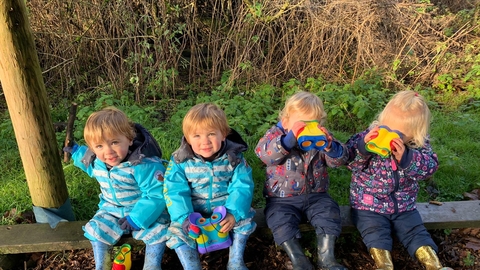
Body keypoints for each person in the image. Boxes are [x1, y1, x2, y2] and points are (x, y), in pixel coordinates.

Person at [346, 91, 452, 270]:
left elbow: (430, 168)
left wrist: (407, 158)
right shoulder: (369, 136)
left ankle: (434, 263)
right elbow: (349, 161)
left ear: (415, 134)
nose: (390, 135)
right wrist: (364, 147)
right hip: (369, 204)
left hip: (404, 206)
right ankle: (384, 264)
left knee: (415, 232)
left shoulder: (418, 146)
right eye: (387, 127)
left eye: (399, 134)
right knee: (375, 232)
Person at [64, 107, 169, 270]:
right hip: (111, 210)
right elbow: (89, 166)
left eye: (114, 142)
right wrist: (76, 152)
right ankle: (102, 264)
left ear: (129, 139)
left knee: (158, 231)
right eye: (99, 146)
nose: (108, 151)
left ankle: (152, 264)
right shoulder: (98, 162)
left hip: (143, 210)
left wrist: (137, 218)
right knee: (97, 229)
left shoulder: (142, 165)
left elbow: (157, 193)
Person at [255, 91, 349, 270]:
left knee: (329, 213)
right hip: (281, 198)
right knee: (279, 220)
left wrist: (330, 147)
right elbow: (264, 155)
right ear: (285, 121)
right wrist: (288, 141)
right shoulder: (275, 135)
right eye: (301, 124)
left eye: (312, 123)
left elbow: (339, 161)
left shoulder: (321, 137)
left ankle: (326, 257)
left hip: (316, 195)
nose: (306, 128)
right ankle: (298, 258)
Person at [164, 103, 256, 270]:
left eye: (211, 134)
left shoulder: (234, 159)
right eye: (197, 136)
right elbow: (174, 191)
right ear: (187, 137)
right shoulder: (180, 161)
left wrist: (233, 213)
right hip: (192, 212)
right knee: (177, 233)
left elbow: (242, 187)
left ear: (224, 135)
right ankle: (191, 266)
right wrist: (184, 218)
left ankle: (235, 261)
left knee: (244, 220)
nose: (205, 141)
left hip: (224, 210)